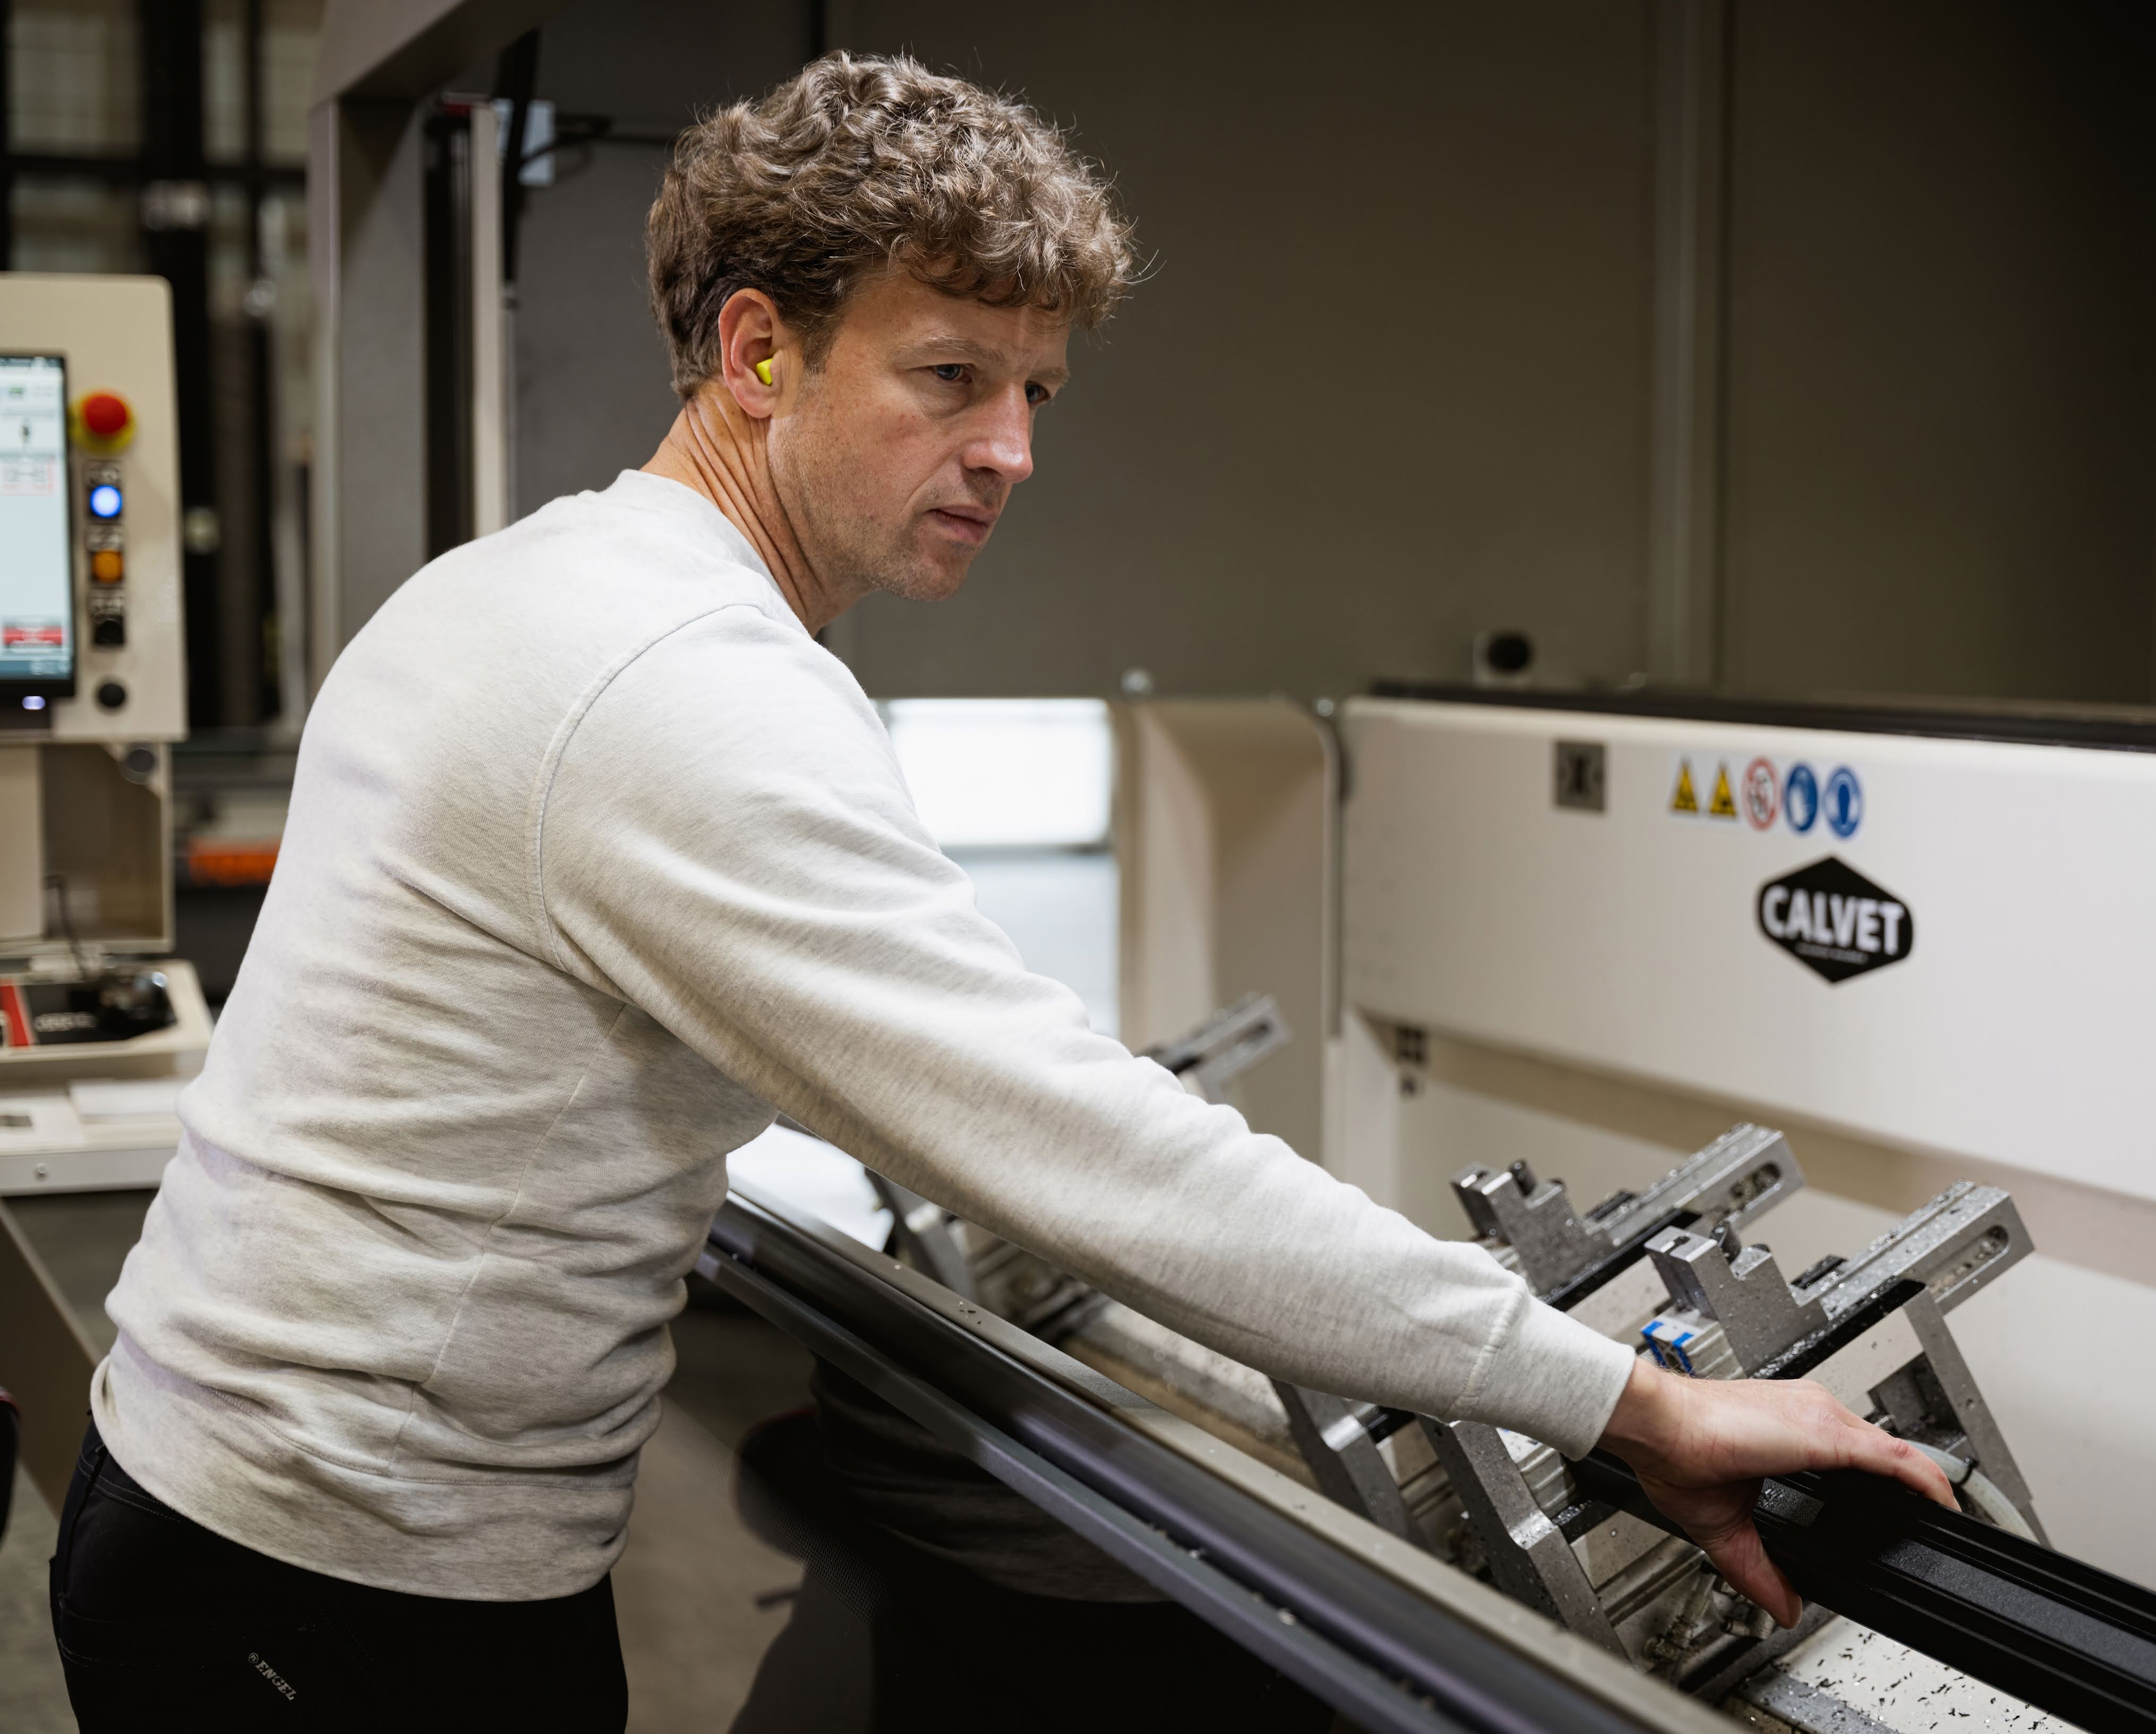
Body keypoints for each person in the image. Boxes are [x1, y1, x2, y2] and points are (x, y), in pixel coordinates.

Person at [50, 53, 1949, 1730]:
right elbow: (1080, 1149)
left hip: (233, 1510)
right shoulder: (679, 690)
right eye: (949, 376)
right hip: (338, 1583)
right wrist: (1624, 1397)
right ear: (757, 352)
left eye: (1035, 387)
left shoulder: (532, 581)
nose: (1014, 450)